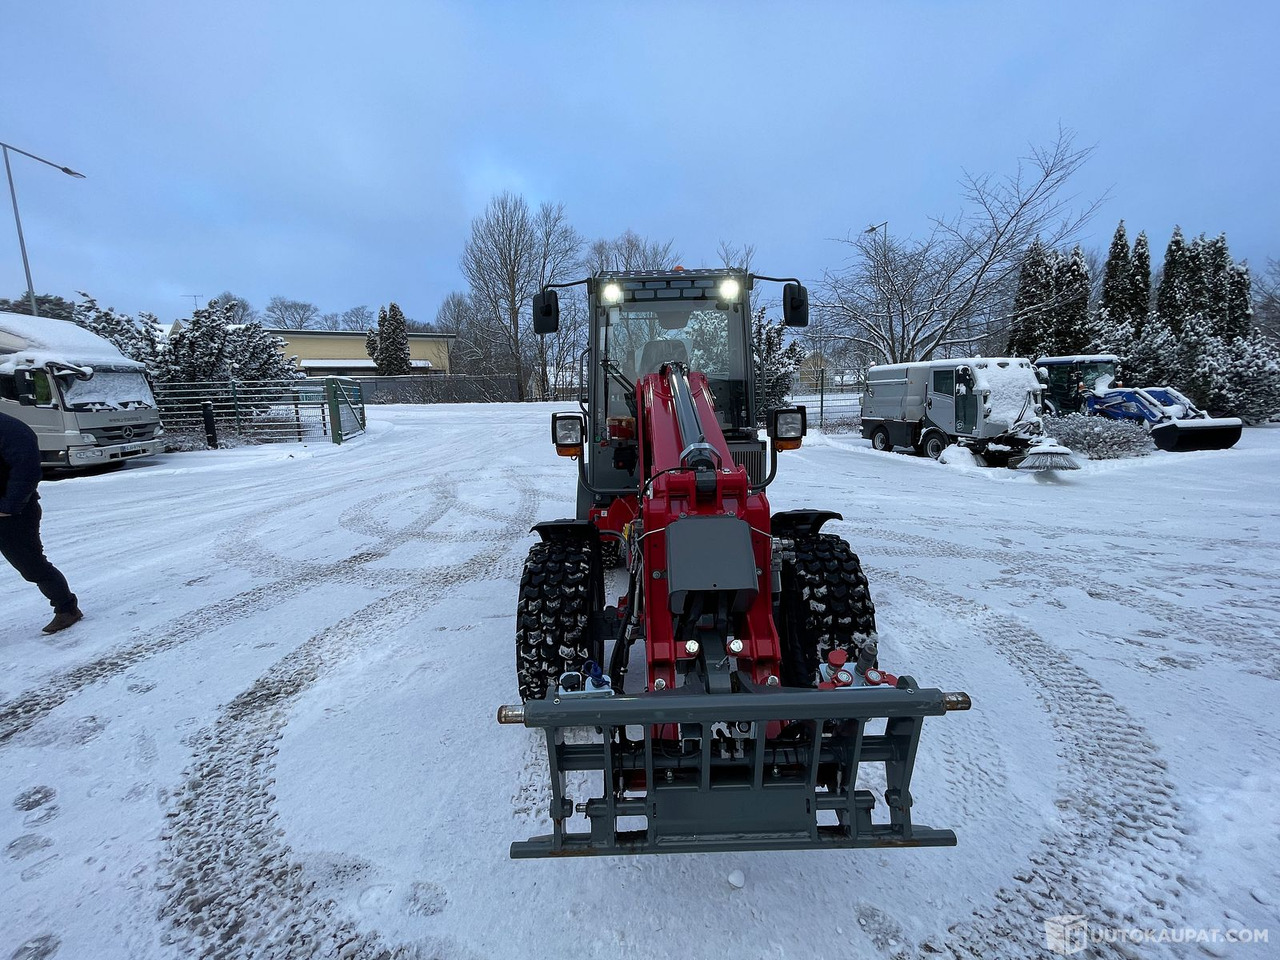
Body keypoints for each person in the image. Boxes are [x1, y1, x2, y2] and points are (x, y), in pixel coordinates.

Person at [0, 409, 82, 633]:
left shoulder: (11, 429)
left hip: (12, 515)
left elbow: (26, 471)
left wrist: (9, 507)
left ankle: (67, 608)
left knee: (31, 566)